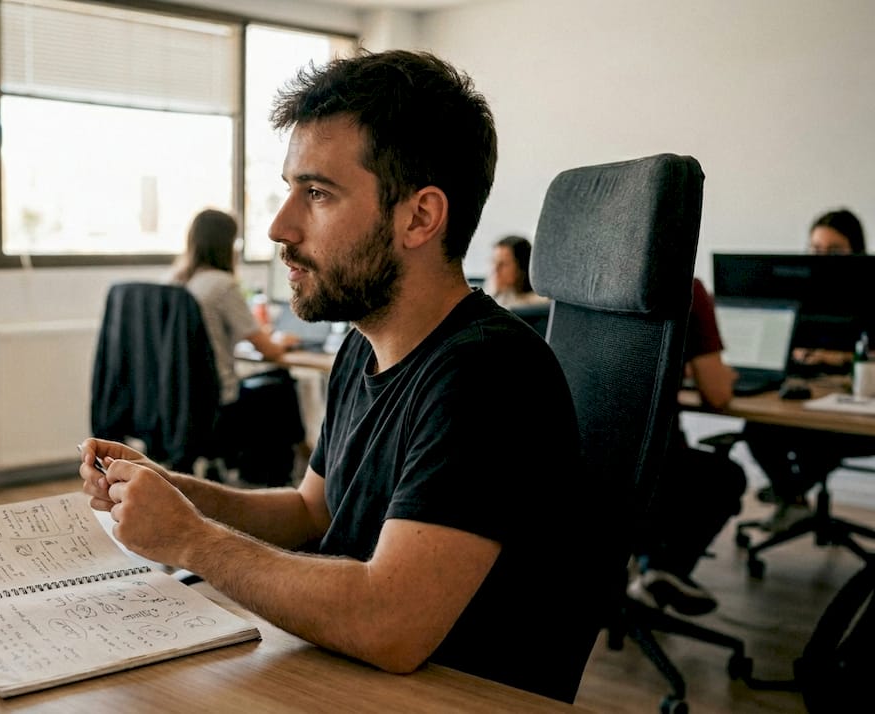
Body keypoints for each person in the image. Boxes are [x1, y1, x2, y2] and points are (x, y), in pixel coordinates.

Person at [79, 49, 606, 703]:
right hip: (343, 675)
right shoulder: (363, 346)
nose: (279, 226)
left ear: (418, 217)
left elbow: (391, 622)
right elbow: (311, 510)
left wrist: (190, 540)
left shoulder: (488, 374)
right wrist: (176, 492)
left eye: (318, 194)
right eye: (289, 190)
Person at [743, 208, 871, 530]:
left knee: (819, 439)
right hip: (806, 391)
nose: (822, 259)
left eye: (834, 251)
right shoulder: (797, 287)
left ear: (856, 252)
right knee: (757, 428)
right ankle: (794, 498)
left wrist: (837, 358)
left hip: (859, 408)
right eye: (815, 250)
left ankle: (790, 493)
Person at [628, 278, 747, 615]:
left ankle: (647, 574)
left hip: (576, 470)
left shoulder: (570, 277)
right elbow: (718, 395)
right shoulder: (684, 287)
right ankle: (665, 569)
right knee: (726, 478)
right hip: (652, 476)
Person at [168, 208, 304, 484]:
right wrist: (283, 340)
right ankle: (281, 480)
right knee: (280, 383)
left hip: (179, 405)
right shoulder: (223, 285)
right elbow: (269, 351)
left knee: (265, 383)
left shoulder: (175, 283)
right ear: (227, 244)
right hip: (218, 410)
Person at [485, 235, 547, 308]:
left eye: (503, 264)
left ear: (521, 269)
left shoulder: (537, 305)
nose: (495, 269)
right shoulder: (496, 292)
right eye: (494, 261)